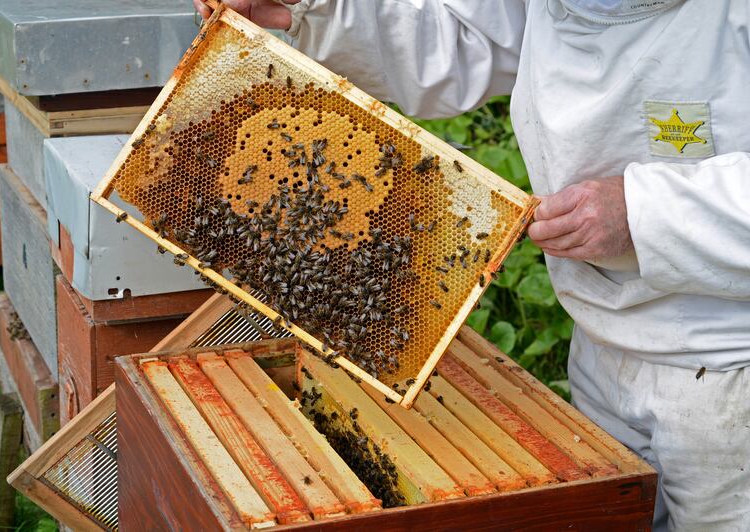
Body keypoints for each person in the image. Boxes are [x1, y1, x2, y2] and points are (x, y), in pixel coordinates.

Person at [194, 1, 750, 530]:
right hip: (601, 337)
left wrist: (646, 211)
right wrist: (315, 10)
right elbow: (461, 35)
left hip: (728, 368)